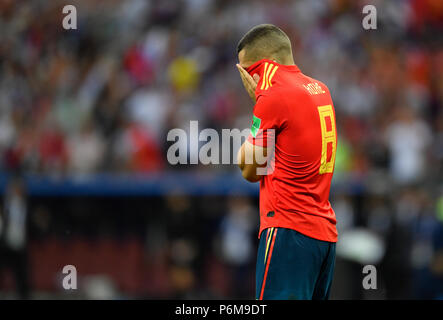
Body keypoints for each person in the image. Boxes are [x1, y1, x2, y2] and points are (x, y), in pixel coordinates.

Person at [236, 24, 338, 300]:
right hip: (324, 236)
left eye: (247, 71)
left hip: (288, 231)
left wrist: (258, 102)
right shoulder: (321, 90)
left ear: (264, 64)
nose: (247, 80)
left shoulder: (272, 97)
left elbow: (250, 169)